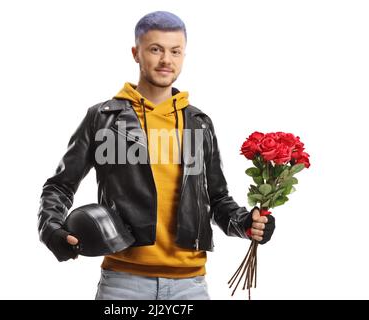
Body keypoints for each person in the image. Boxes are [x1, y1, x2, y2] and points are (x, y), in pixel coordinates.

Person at [37, 11, 275, 300]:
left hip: (190, 286)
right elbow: (61, 185)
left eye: (175, 51)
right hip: (123, 284)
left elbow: (218, 199)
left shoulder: (199, 123)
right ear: (136, 53)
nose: (166, 60)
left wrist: (246, 224)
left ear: (184, 55)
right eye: (155, 49)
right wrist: (52, 230)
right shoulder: (103, 118)